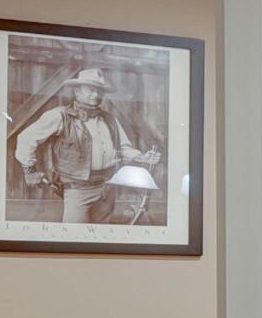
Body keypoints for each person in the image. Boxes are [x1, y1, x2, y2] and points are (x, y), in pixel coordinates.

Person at [10, 68, 158, 225]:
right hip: (77, 191)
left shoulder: (110, 119)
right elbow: (26, 138)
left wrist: (142, 157)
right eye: (91, 90)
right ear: (77, 91)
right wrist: (29, 171)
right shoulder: (60, 116)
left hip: (107, 189)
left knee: (102, 236)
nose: (96, 95)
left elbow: (124, 148)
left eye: (100, 91)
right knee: (74, 238)